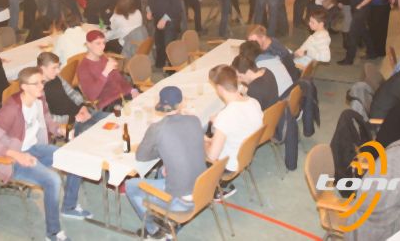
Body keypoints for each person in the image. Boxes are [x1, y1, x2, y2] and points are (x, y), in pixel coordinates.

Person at [0, 67, 91, 241]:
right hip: (13, 159)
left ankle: (69, 206)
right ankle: (52, 233)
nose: (42, 86)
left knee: (73, 158)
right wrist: (17, 155)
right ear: (24, 87)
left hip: (34, 148)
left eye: (42, 82)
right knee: (53, 180)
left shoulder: (39, 100)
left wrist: (64, 132)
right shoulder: (12, 109)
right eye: (36, 83)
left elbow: (49, 122)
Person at [125, 86, 206, 239]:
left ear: (160, 104)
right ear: (181, 103)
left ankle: (155, 231)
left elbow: (141, 156)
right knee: (163, 169)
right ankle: (163, 220)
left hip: (181, 202)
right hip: (203, 189)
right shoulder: (195, 120)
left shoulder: (157, 128)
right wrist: (166, 151)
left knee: (130, 185)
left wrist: (160, 149)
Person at [205, 65, 263, 198]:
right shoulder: (254, 102)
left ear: (219, 88)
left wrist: (203, 142)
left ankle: (212, 190)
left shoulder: (225, 117)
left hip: (228, 165)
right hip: (245, 155)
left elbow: (212, 156)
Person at [38, 51, 105, 135]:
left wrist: (82, 106)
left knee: (109, 119)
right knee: (98, 134)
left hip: (82, 112)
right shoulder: (38, 89)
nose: (58, 71)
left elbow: (72, 93)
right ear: (42, 68)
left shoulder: (56, 77)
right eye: (54, 68)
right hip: (70, 123)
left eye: (58, 66)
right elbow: (48, 118)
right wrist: (73, 118)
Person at [76, 30, 137, 110]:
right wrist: (105, 72)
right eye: (98, 43)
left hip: (124, 95)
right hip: (109, 103)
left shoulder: (103, 57)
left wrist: (132, 90)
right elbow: (91, 96)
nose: (103, 47)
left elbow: (119, 78)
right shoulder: (83, 68)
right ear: (89, 45)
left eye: (104, 43)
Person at [145, 0, 182, 69]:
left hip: (170, 19)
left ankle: (172, 69)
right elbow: (150, 0)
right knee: (159, 43)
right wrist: (149, 10)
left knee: (169, 45)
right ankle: (159, 65)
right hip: (158, 18)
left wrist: (165, 19)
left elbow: (176, 6)